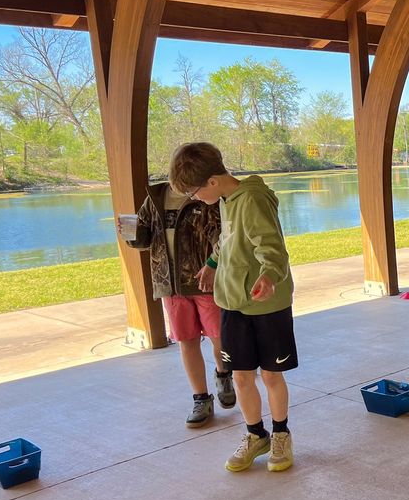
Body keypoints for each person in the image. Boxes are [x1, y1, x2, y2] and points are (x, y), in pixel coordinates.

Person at [169, 142, 298, 473]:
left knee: (270, 374)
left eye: (194, 191)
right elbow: (230, 239)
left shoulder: (252, 199)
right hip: (233, 302)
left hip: (265, 303)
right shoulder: (226, 200)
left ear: (212, 181)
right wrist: (213, 261)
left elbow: (271, 246)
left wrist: (269, 276)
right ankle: (256, 435)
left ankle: (281, 434)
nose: (194, 198)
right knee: (241, 376)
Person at [119, 181, 234, 428]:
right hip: (170, 285)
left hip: (204, 282)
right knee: (187, 341)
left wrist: (215, 266)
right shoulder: (156, 197)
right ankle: (201, 398)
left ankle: (224, 374)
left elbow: (223, 236)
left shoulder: (206, 195)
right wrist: (130, 232)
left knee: (220, 337)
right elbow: (144, 239)